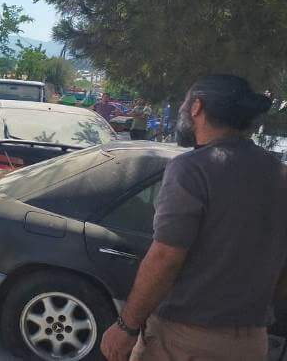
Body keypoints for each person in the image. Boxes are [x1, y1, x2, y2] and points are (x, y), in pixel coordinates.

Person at [100, 74, 286, 361]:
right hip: (252, 342)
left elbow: (165, 256)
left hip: (183, 341)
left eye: (185, 103)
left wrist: (126, 326)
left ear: (197, 107)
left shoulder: (191, 169)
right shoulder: (278, 173)